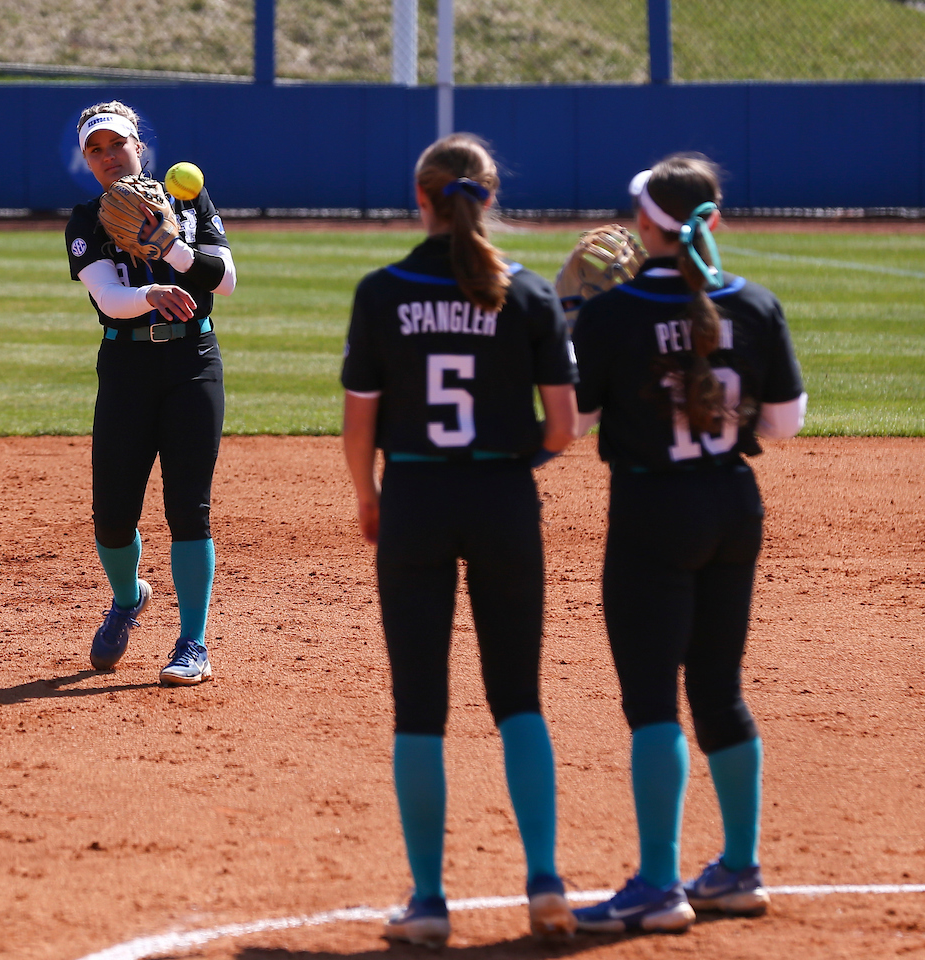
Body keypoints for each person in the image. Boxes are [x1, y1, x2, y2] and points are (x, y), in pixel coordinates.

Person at [340, 133, 580, 947]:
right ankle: (545, 884)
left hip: (414, 496)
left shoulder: (383, 291)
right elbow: (565, 429)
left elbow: (359, 425)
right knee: (519, 700)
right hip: (504, 499)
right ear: (488, 198)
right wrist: (510, 467)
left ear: (422, 200)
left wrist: (370, 496)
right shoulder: (529, 293)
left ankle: (430, 900)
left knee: (421, 708)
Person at [569, 153, 807, 934]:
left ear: (647, 225)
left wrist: (576, 330)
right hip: (734, 509)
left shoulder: (616, 312)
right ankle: (740, 868)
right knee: (719, 690)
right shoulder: (757, 304)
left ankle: (659, 884)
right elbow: (782, 426)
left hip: (652, 516)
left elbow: (571, 422)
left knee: (652, 704)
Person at [65, 101, 236, 686]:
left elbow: (226, 280)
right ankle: (129, 596)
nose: (109, 156)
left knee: (189, 507)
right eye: (96, 149)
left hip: (193, 361)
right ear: (87, 161)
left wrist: (170, 245)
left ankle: (193, 642)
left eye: (118, 144)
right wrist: (152, 293)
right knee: (112, 517)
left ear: (140, 146)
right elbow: (110, 299)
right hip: (127, 366)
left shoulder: (189, 201)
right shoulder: (87, 219)